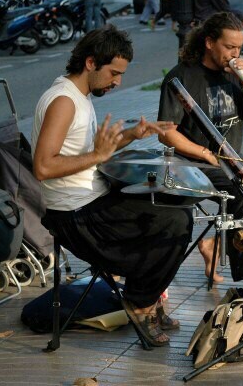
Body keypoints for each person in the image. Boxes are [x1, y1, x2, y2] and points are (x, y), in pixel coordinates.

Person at [32, 25, 193, 347]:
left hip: (90, 199)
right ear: (91, 62)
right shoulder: (63, 101)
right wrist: (99, 154)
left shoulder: (79, 96)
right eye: (114, 72)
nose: (118, 81)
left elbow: (88, 153)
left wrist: (132, 135)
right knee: (173, 220)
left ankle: (144, 294)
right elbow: (43, 166)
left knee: (173, 203)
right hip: (74, 214)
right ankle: (141, 302)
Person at [157, 12, 243, 298]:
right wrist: (204, 152)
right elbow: (166, 132)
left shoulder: (235, 76)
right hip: (193, 163)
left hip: (232, 161)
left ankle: (218, 242)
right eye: (229, 47)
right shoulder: (182, 76)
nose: (235, 53)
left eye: (239, 48)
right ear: (209, 42)